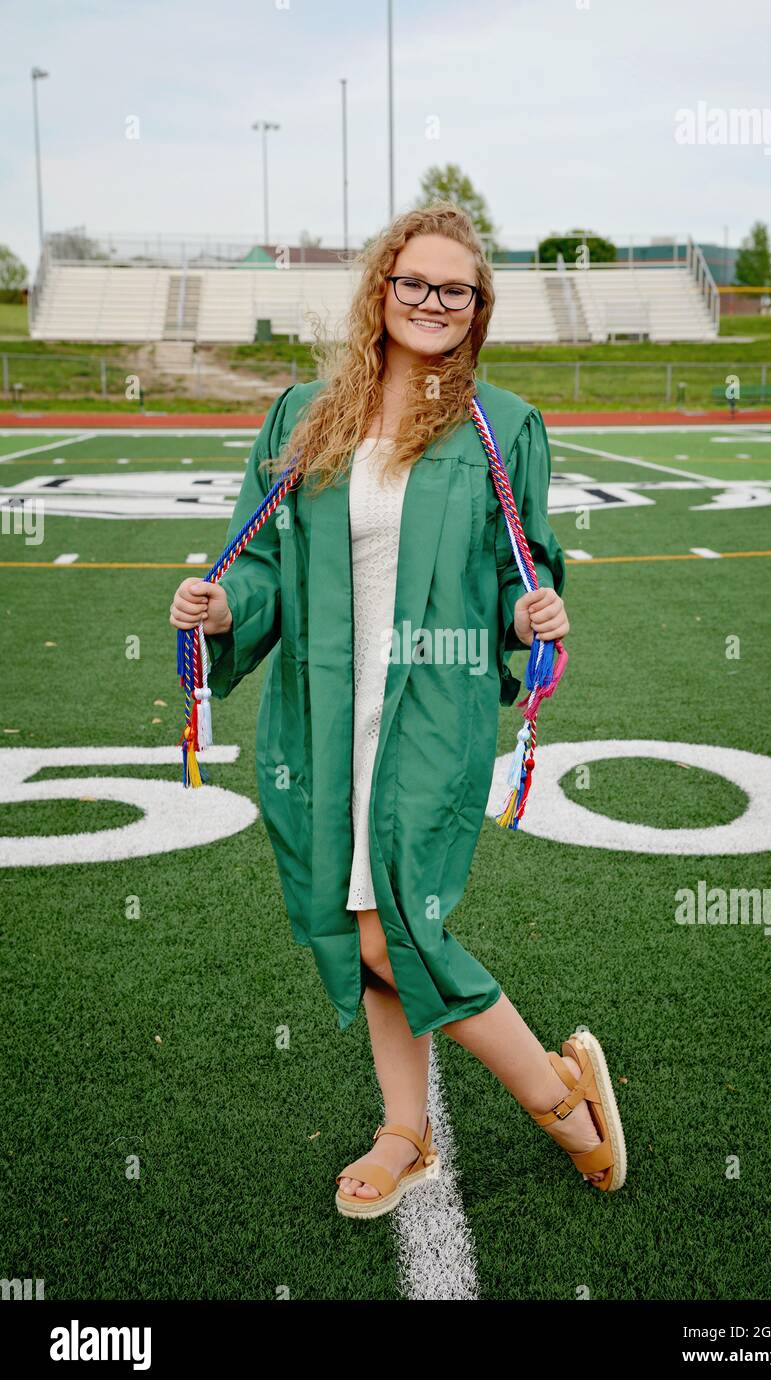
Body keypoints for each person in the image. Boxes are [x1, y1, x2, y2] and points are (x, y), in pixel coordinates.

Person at [169, 201, 627, 1215]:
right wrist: (219, 605)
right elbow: (265, 569)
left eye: (455, 290)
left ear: (478, 308)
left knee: (397, 929)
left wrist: (529, 610)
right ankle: (404, 1130)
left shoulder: (500, 428)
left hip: (432, 704)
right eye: (413, 282)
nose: (431, 302)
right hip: (322, 709)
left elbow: (523, 571)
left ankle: (562, 1100)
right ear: (381, 289)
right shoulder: (302, 417)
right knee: (357, 918)